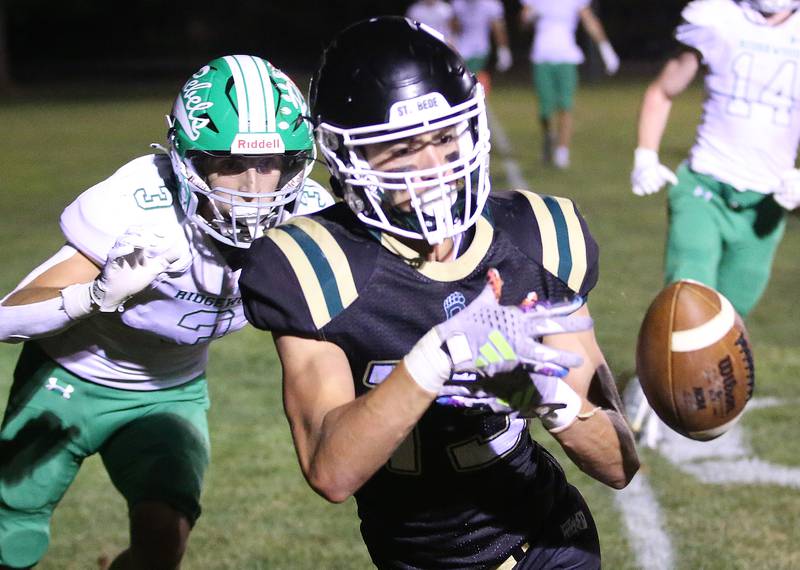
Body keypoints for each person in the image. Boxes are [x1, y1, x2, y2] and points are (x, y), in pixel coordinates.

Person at [240, 17, 639, 569]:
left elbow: (618, 464)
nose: (436, 168)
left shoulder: (539, 237)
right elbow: (331, 471)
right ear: (345, 157)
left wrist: (545, 395)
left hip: (549, 542)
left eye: (447, 137)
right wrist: (438, 357)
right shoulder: (312, 266)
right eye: (401, 149)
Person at [0, 55, 332, 569]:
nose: (252, 188)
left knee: (163, 545)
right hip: (71, 377)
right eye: (229, 163)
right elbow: (5, 319)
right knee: (12, 540)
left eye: (269, 164)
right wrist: (95, 296)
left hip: (171, 390)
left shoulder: (309, 215)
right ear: (187, 160)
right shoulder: (138, 206)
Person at [627, 0, 800, 445]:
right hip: (704, 184)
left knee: (731, 314)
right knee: (687, 297)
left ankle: (691, 393)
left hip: (765, 201)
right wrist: (646, 154)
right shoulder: (717, 19)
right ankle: (651, 393)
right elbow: (663, 90)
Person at [519, 0, 620, 169]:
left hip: (567, 57)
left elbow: (589, 21)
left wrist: (606, 48)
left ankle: (562, 151)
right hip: (542, 57)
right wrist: (528, 17)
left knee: (566, 105)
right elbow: (523, 23)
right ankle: (548, 136)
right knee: (545, 110)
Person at [451, 0, 513, 95]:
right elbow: (454, 28)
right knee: (460, 81)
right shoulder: (458, 4)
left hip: (479, 49)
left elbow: (497, 29)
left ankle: (480, 102)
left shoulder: (490, 5)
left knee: (469, 80)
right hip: (462, 49)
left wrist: (503, 50)